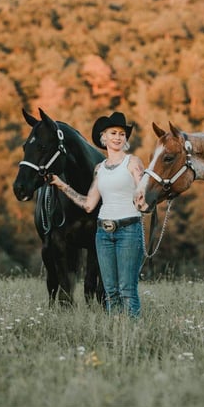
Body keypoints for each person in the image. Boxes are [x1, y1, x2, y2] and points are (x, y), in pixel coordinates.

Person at [49, 111, 146, 318]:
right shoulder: (99, 169)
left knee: (127, 290)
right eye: (113, 133)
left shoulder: (133, 163)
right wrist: (61, 185)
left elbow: (143, 193)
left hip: (128, 230)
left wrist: (143, 200)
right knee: (109, 292)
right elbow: (88, 203)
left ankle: (132, 334)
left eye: (122, 134)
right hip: (103, 233)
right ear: (104, 137)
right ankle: (115, 333)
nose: (118, 137)